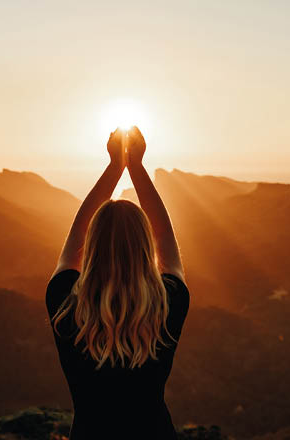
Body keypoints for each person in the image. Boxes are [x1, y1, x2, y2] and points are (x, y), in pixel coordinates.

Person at [45, 126, 189, 439]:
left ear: (92, 246)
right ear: (144, 245)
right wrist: (135, 167)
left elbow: (74, 241)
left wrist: (114, 166)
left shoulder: (65, 304)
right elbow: (166, 239)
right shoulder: (167, 304)